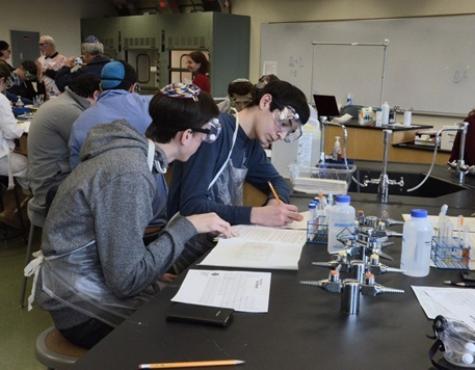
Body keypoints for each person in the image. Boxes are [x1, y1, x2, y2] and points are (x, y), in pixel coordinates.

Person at [29, 82, 233, 349]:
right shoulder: (129, 172)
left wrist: (154, 275)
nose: (204, 143)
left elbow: (116, 248)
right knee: (201, 339)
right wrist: (188, 226)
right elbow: (127, 281)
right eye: (204, 136)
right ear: (185, 136)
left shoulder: (132, 154)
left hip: (90, 290)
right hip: (84, 312)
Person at [168, 80, 309, 228]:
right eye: (284, 124)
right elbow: (191, 206)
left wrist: (275, 203)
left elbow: (278, 182)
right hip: (188, 241)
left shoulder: (252, 146)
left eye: (289, 132)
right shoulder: (213, 131)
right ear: (266, 102)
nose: (281, 135)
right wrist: (255, 215)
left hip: (221, 238)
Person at [27, 74, 100, 225]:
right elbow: (94, 148)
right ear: (96, 94)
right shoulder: (69, 111)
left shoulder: (61, 102)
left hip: (46, 180)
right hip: (51, 188)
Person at [69, 60, 150, 168]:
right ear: (133, 87)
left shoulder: (81, 120)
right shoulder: (147, 107)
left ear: (101, 86)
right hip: (142, 180)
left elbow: (75, 165)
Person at [0, 61, 28, 190]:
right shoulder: (1, 99)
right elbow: (11, 132)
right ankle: (32, 199)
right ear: (2, 80)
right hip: (2, 158)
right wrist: (22, 127)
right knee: (29, 165)